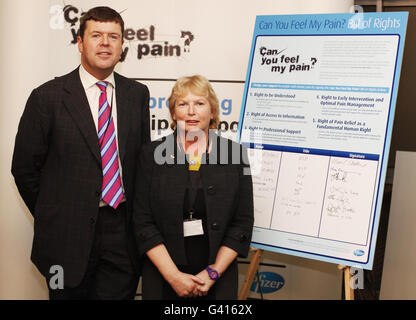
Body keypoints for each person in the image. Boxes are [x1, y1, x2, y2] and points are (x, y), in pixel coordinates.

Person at [11, 6, 150, 299]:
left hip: (121, 233)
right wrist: (56, 213)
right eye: (96, 35)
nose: (105, 43)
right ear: (80, 43)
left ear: (122, 45)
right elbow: (24, 169)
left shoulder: (137, 95)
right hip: (64, 237)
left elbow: (141, 164)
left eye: (113, 36)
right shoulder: (47, 97)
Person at [133, 75, 253, 299]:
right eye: (182, 104)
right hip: (163, 277)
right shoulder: (151, 155)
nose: (191, 111)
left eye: (199, 103)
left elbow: (242, 223)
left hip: (218, 277)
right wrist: (174, 277)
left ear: (213, 111)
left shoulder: (235, 156)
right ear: (172, 113)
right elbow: (142, 222)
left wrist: (212, 273)